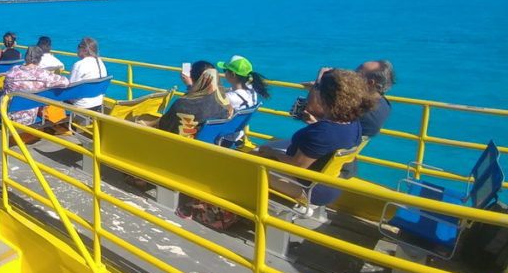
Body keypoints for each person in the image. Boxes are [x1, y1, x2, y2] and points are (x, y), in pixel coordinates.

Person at [255, 68, 376, 209]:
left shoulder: (322, 133)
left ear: (326, 96)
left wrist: (272, 153)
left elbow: (296, 165)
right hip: (331, 185)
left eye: (319, 89)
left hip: (307, 189)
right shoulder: (354, 124)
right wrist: (315, 124)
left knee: (250, 161)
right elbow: (329, 142)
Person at [157, 61, 232, 136]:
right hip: (210, 141)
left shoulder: (183, 104)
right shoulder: (225, 104)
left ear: (192, 77)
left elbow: (163, 127)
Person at [356, 60, 395, 139]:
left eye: (357, 73)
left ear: (370, 83)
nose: (350, 74)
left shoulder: (360, 111)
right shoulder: (385, 104)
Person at [68, 37, 107, 110]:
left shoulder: (79, 64)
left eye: (79, 46)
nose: (77, 48)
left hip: (83, 105)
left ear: (85, 50)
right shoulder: (100, 62)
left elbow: (71, 87)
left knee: (53, 98)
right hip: (98, 103)